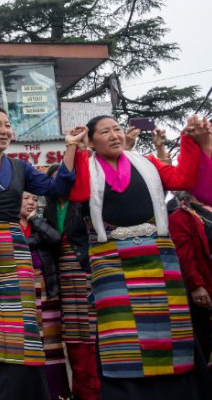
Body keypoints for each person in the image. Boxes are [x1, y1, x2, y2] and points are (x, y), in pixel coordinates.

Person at [67, 115, 210, 399]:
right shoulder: (88, 166)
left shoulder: (147, 164)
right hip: (110, 258)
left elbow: (184, 179)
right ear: (92, 140)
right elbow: (80, 191)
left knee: (168, 326)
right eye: (105, 132)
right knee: (121, 331)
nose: (114, 135)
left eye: (117, 129)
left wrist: (190, 142)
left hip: (157, 254)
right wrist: (78, 150)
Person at [0, 106, 83, 399]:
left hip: (14, 246)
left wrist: (71, 146)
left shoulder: (21, 168)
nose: (5, 130)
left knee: (21, 319)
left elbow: (56, 185)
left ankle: (24, 390)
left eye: (8, 125)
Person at [42, 164, 99, 400]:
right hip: (61, 271)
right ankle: (81, 389)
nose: (61, 185)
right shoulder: (48, 210)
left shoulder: (83, 203)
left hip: (84, 264)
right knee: (72, 328)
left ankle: (97, 387)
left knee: (91, 325)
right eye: (56, 181)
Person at [20, 192, 71, 400]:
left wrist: (34, 220)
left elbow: (55, 238)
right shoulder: (8, 225)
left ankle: (56, 392)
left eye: (34, 199)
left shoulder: (41, 222)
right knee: (25, 341)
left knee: (51, 344)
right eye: (25, 199)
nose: (31, 202)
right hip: (19, 288)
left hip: (44, 284)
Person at [170, 192, 212, 366]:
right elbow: (184, 257)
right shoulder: (180, 216)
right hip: (204, 287)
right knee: (203, 341)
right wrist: (197, 286)